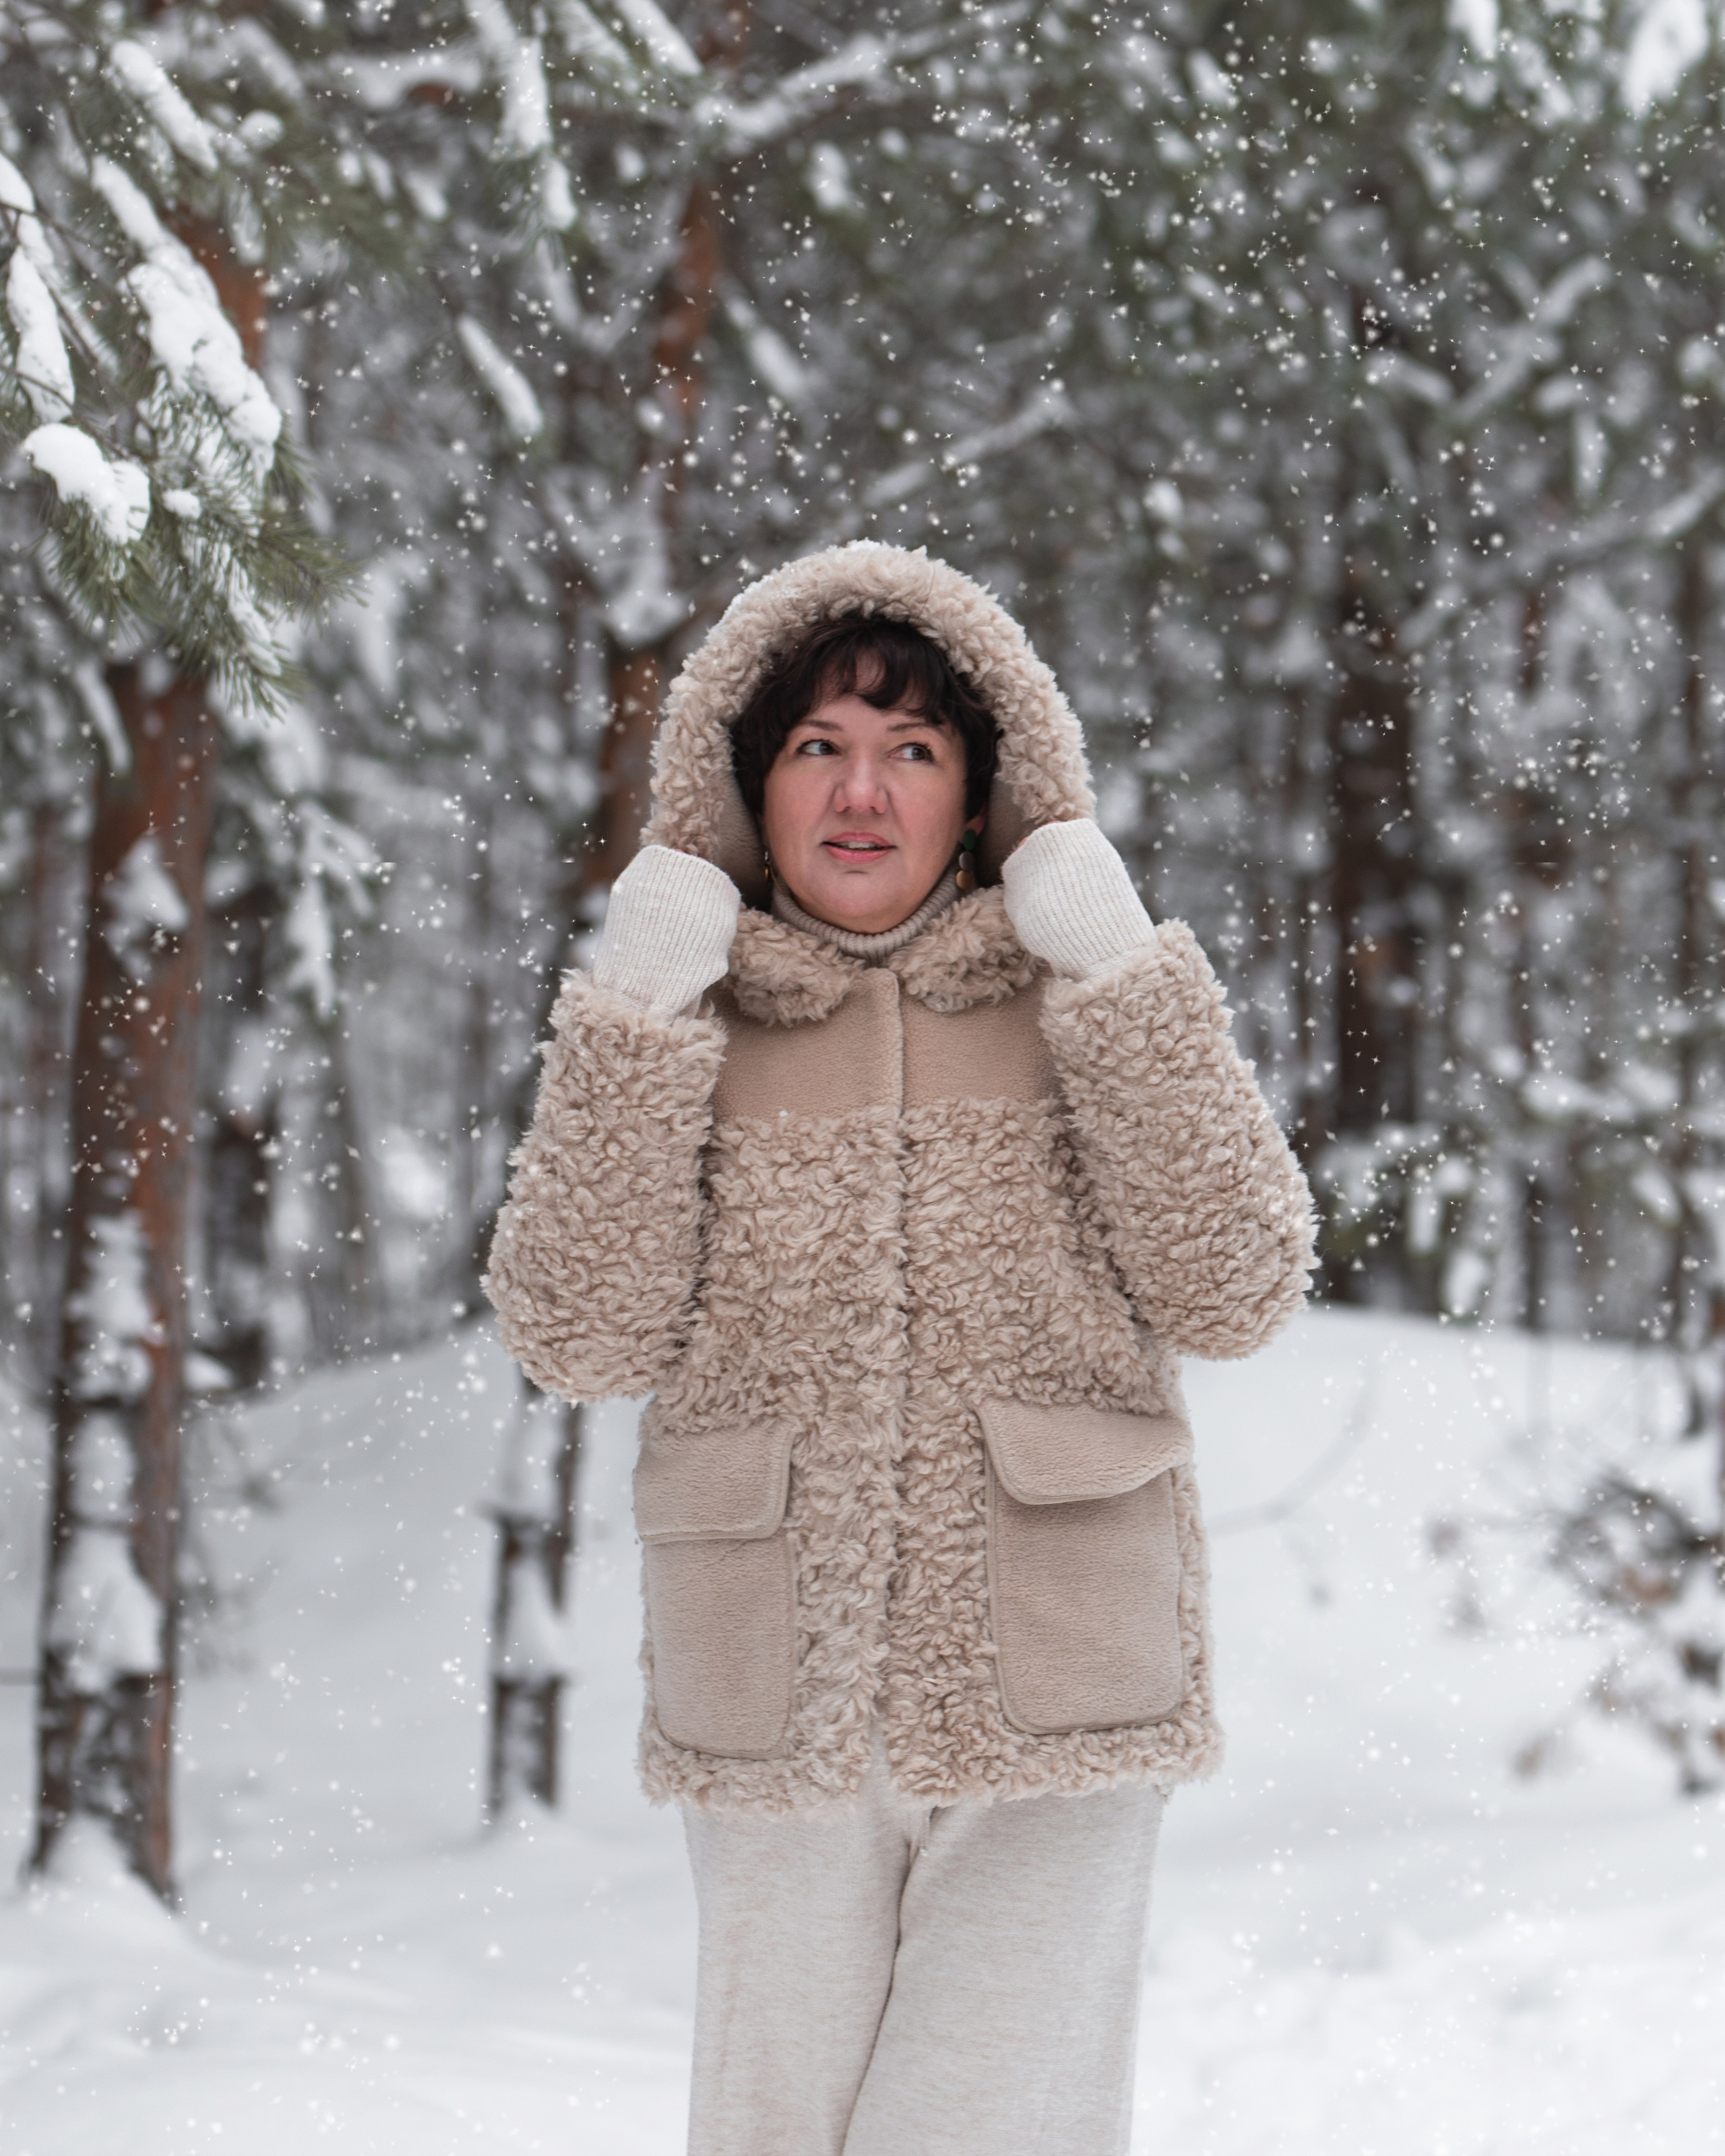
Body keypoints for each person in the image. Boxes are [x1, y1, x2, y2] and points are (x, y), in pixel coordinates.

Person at [485, 542, 1315, 2156]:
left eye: (911, 751)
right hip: (771, 1688)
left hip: (1061, 1678)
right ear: (746, 785)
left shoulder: (1078, 1000)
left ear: (983, 793)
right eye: (817, 747)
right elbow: (578, 1336)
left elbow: (1235, 1282)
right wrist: (631, 1011)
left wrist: (1121, 964)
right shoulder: (687, 1027)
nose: (861, 794)